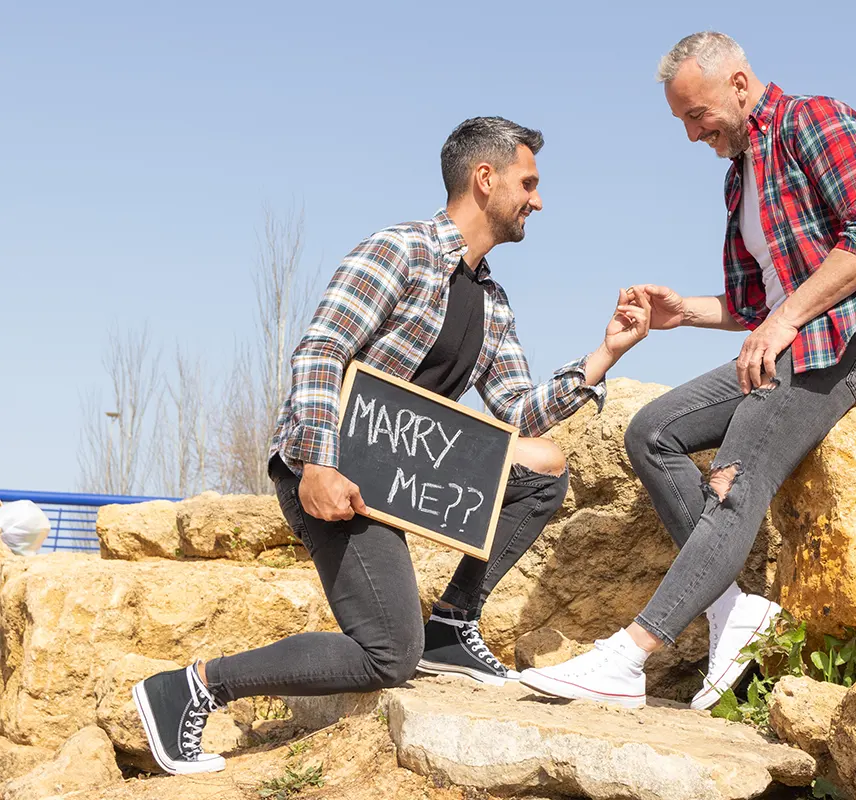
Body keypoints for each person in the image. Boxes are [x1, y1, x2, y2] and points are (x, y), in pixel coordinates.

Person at [132, 116, 651, 774]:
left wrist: (605, 352)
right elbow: (321, 350)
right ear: (484, 179)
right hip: (329, 478)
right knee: (386, 655)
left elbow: (519, 415)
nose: (538, 200)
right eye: (529, 182)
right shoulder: (400, 251)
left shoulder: (490, 301)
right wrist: (319, 463)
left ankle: (453, 625)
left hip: (397, 485)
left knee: (543, 469)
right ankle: (192, 686)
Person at [520, 32, 856, 710]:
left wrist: (786, 320)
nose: (692, 133)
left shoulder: (815, 120)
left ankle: (631, 654)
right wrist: (686, 313)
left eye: (696, 114)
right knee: (652, 431)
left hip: (849, 341)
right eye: (682, 120)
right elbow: (760, 305)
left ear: (738, 82)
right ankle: (734, 611)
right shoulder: (742, 175)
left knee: (735, 474)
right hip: (788, 343)